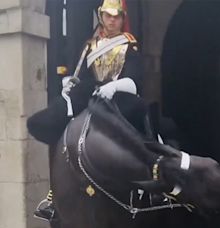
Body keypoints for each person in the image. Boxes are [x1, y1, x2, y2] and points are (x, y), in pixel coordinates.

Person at [27, 0, 147, 221]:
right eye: (108, 16)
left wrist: (114, 86)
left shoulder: (129, 45)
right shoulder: (90, 46)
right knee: (51, 121)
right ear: (101, 16)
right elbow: (81, 74)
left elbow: (135, 80)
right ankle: (54, 195)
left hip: (117, 96)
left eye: (117, 16)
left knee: (139, 122)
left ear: (122, 18)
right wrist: (69, 84)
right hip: (90, 94)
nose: (112, 20)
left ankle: (147, 179)